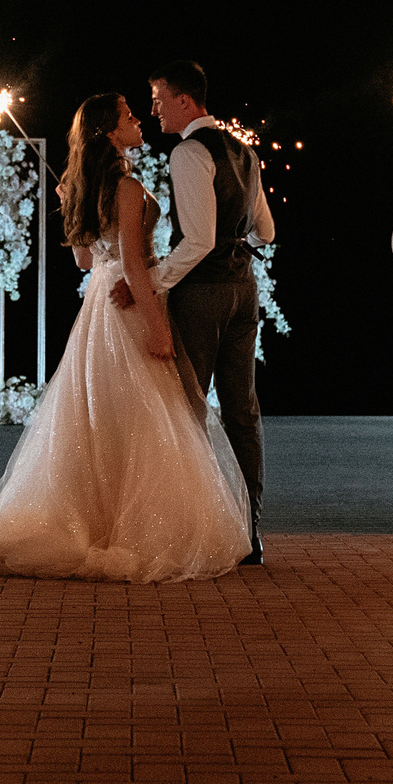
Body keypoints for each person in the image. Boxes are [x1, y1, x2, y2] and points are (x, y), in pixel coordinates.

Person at [0, 93, 250, 582]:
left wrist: (83, 216)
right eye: (129, 117)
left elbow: (85, 262)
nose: (138, 122)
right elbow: (134, 263)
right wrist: (158, 326)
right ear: (111, 132)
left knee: (99, 416)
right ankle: (123, 529)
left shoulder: (79, 189)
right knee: (142, 415)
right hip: (130, 306)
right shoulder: (129, 188)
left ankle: (93, 523)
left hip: (97, 308)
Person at [144, 61, 276, 563]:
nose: (153, 109)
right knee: (243, 409)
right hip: (245, 289)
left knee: (189, 408)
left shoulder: (189, 152)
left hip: (203, 293)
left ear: (184, 101)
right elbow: (266, 231)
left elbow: (196, 239)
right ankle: (250, 531)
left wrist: (151, 283)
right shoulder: (244, 152)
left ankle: (195, 528)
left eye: (158, 97)